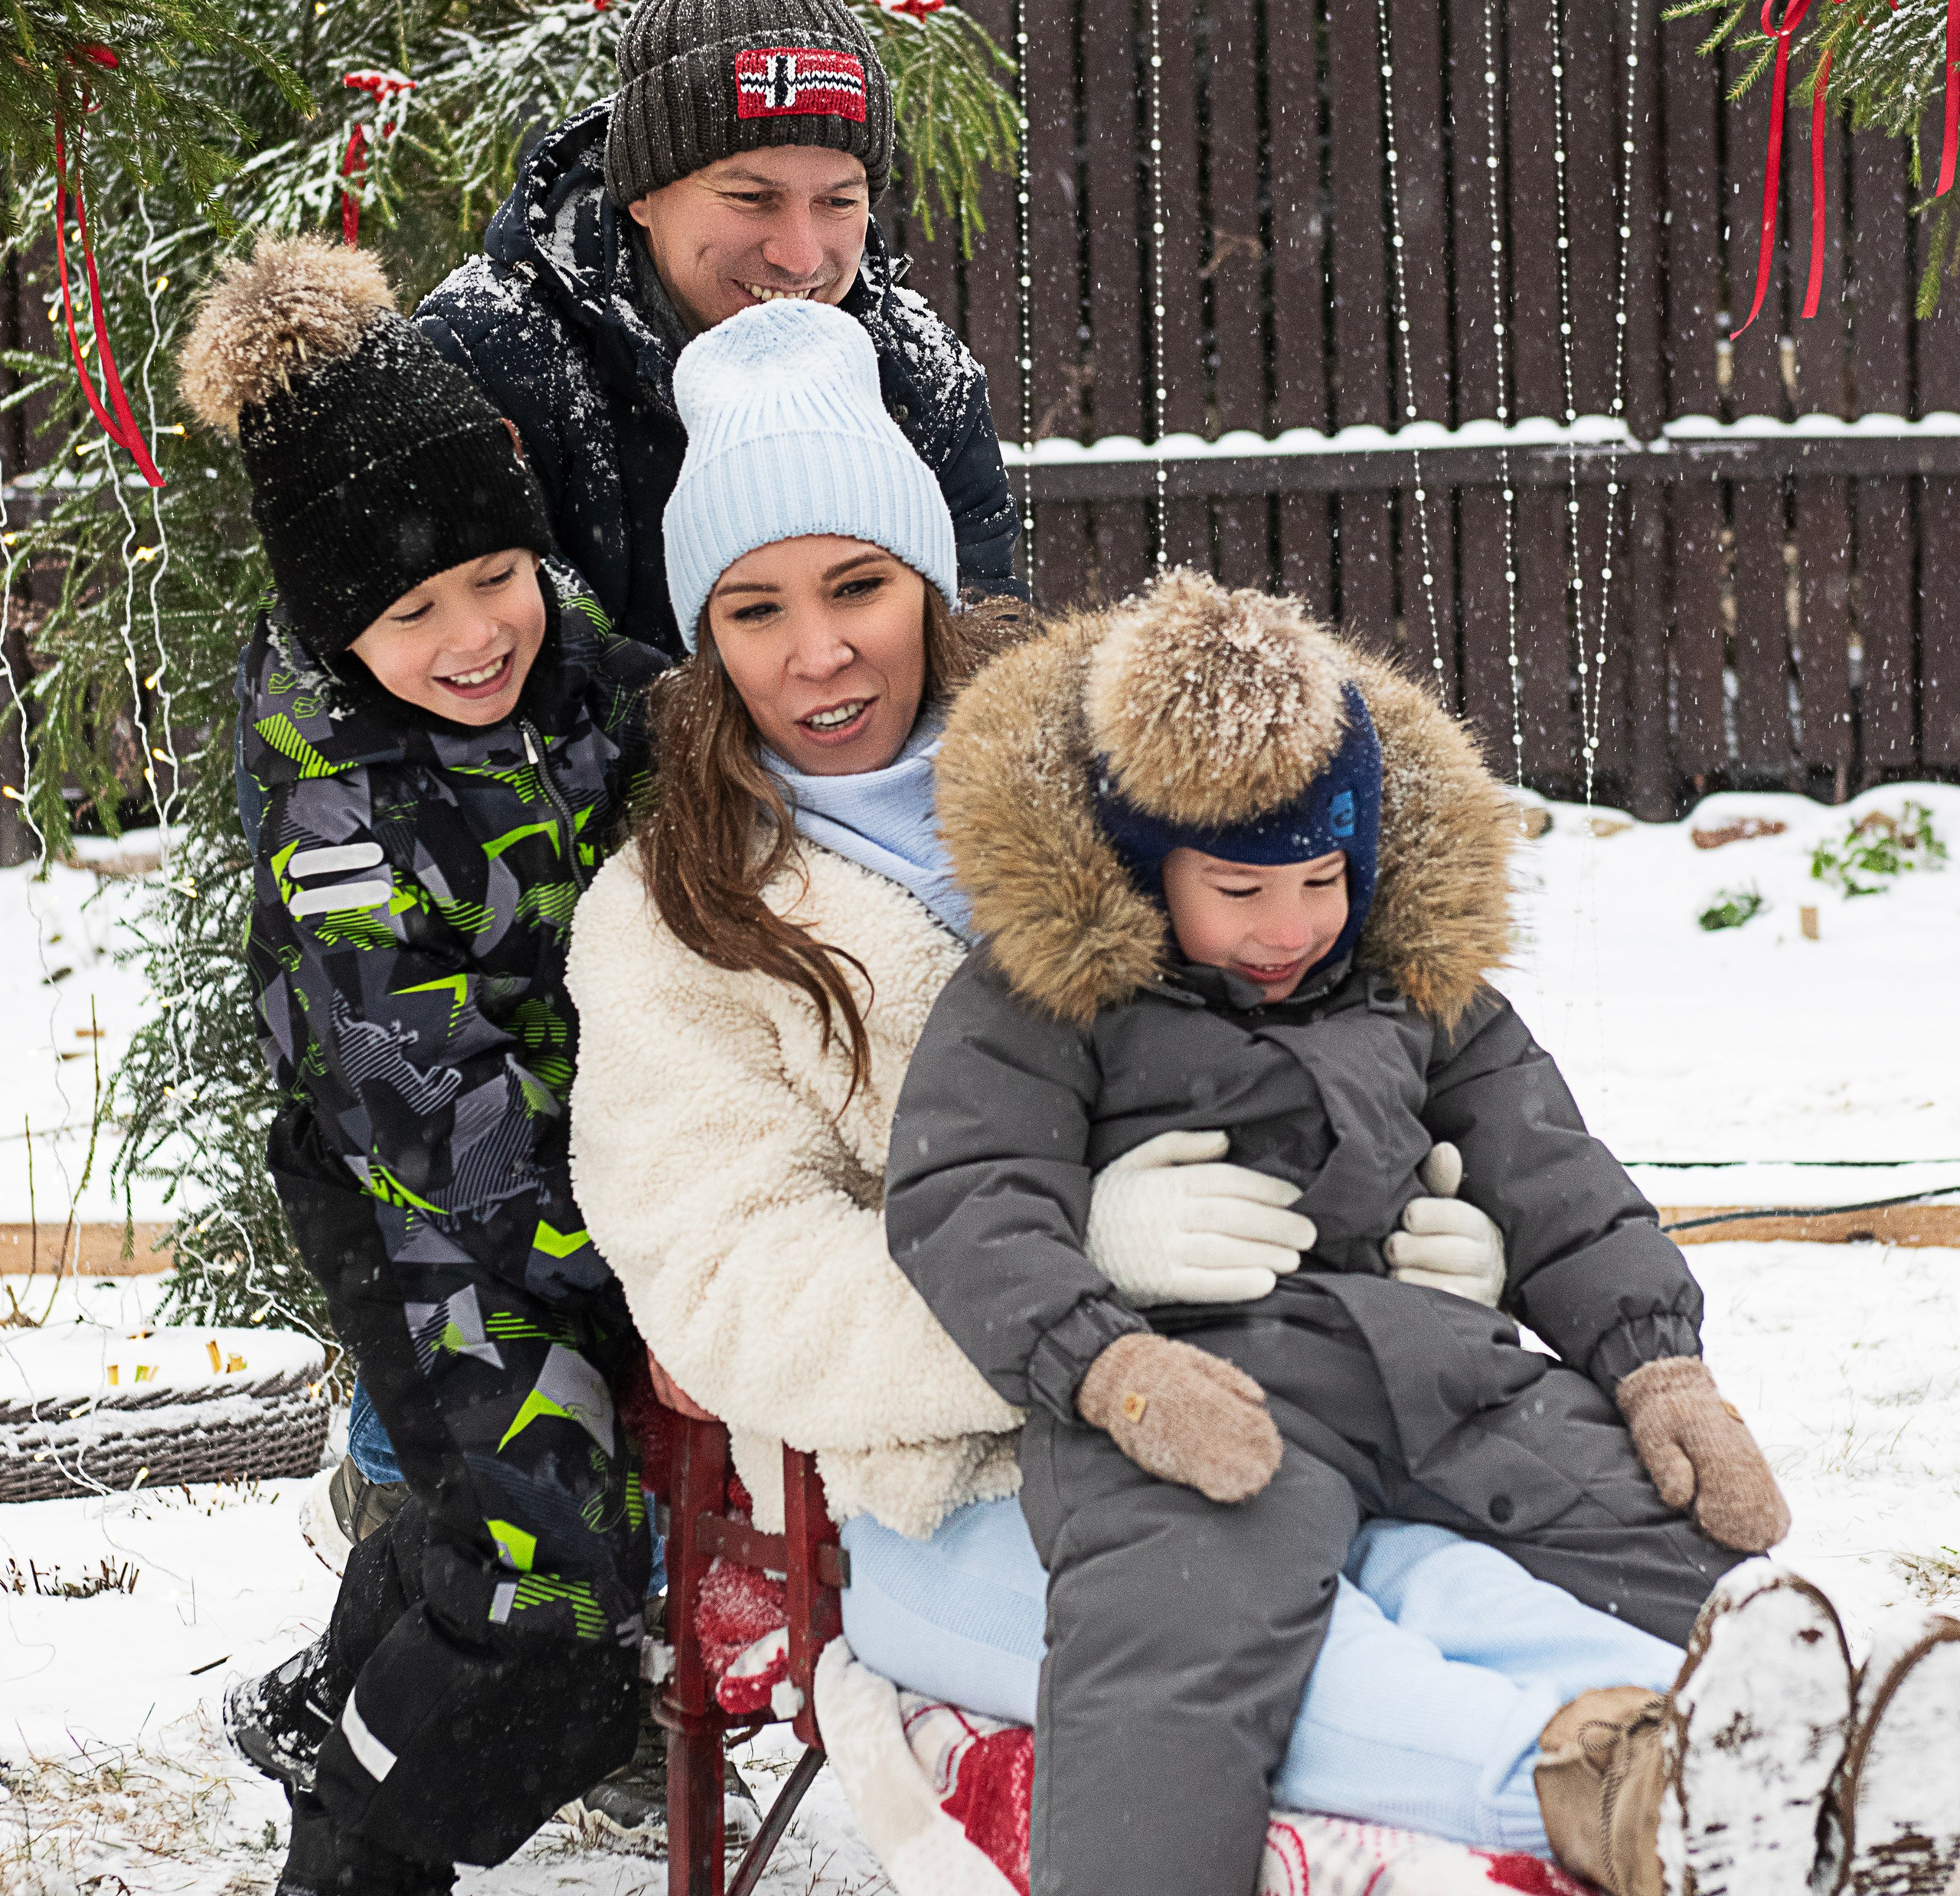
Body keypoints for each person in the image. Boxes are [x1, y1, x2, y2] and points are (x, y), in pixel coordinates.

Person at [560, 295, 1736, 1886]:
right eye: (755, 608)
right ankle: (1614, 1797)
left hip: (1309, 1375)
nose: (817, 648)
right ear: (706, 636)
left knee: (1482, 1591)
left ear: (928, 581)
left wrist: (1403, 1222)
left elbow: (1389, 1009)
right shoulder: (676, 913)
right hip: (945, 1476)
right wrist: (1071, 1282)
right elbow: (720, 1269)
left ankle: (1779, 1751)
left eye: (857, 585)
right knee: (1226, 1656)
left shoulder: (1122, 782)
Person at [883, 568, 1960, 1896]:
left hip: (1437, 1366)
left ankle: (1857, 1775)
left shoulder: (1412, 983)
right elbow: (964, 1193)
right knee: (1173, 1638)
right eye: (1239, 891)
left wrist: (1653, 1361)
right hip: (1205, 1384)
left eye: (1322, 880)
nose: (1289, 930)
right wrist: (1105, 1361)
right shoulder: (1044, 995)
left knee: (1683, 1554)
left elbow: (1547, 1162)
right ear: (1146, 865)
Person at [181, 234, 662, 1896]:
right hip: (417, 1197)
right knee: (554, 1567)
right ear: (338, 620)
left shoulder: (577, 653)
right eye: (412, 607)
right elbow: (430, 1098)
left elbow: (686, 759)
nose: (477, 634)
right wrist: (629, 1255)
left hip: (573, 1169)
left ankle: (338, 1704)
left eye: (495, 575)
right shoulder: (338, 800)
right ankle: (360, 1846)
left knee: (500, 1524)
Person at [413, 0, 1023, 658]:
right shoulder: (479, 365)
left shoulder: (920, 379)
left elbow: (982, 685)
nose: (800, 256)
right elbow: (394, 714)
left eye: (837, 201)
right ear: (641, 193)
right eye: (749, 197)